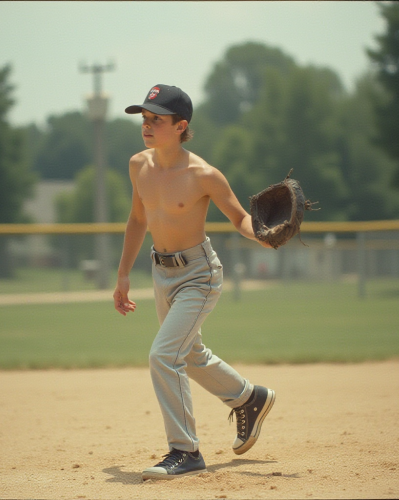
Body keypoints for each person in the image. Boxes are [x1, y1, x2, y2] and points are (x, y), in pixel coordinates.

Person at [113, 84, 276, 481]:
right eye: (144, 118)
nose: (147, 125)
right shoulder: (139, 165)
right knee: (188, 354)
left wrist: (263, 231)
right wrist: (122, 275)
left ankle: (185, 451)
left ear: (181, 125)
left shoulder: (203, 174)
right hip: (161, 272)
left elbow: (239, 218)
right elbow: (138, 220)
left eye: (157, 119)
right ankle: (248, 398)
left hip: (198, 275)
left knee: (163, 356)